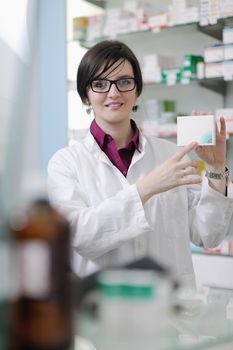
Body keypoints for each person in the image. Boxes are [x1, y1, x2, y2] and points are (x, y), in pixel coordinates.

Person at [47, 40, 233, 288]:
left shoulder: (171, 155)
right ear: (85, 94)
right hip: (105, 308)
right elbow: (79, 237)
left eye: (124, 82)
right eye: (100, 84)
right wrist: (145, 188)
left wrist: (216, 167)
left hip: (169, 307)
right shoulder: (66, 163)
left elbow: (208, 235)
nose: (114, 93)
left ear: (137, 90)